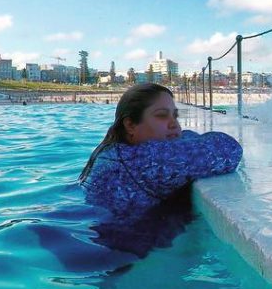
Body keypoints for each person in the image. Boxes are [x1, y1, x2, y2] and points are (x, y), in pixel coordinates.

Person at [79, 84, 242, 248]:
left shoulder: (114, 153)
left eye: (175, 116)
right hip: (117, 261)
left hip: (94, 249)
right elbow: (229, 148)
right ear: (130, 125)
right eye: (162, 116)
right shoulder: (146, 160)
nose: (174, 124)